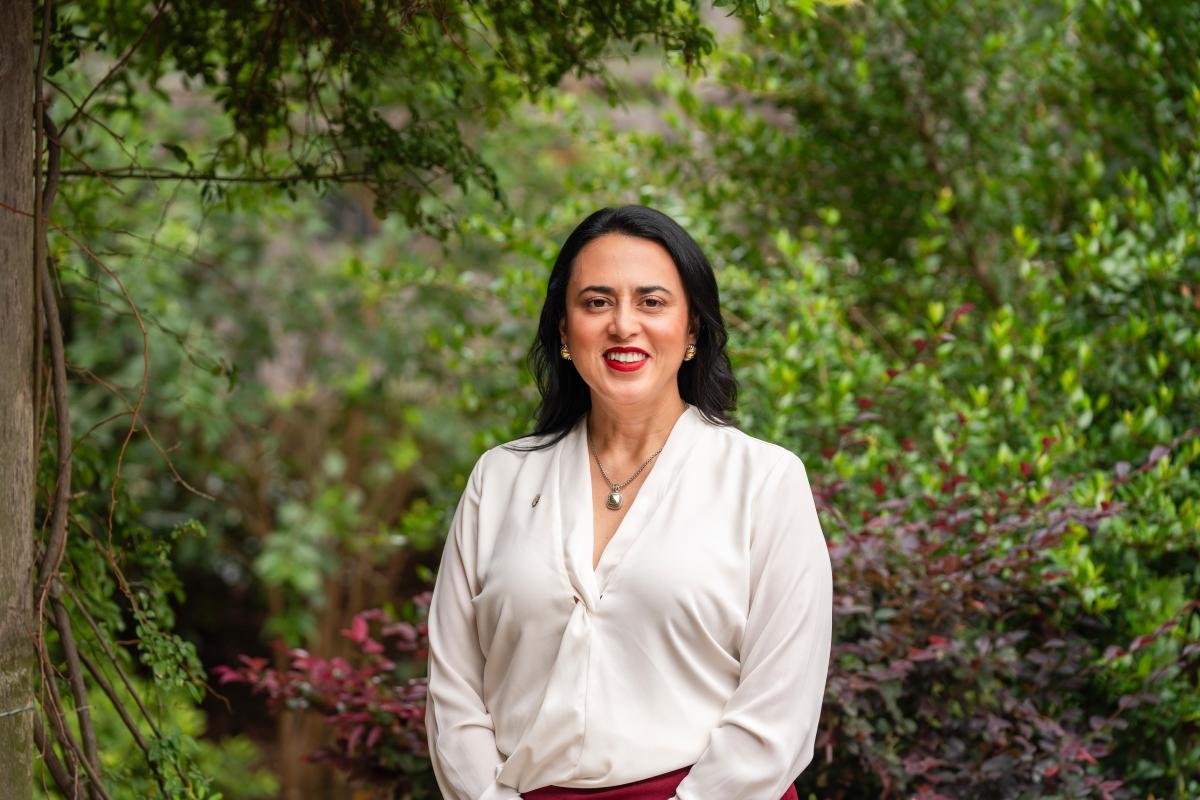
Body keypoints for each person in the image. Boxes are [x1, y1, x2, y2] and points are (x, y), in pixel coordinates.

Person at [425, 206, 834, 800]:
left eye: (651, 301)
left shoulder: (765, 481)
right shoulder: (500, 480)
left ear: (692, 328)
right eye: (595, 302)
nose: (623, 325)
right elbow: (454, 694)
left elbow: (780, 710)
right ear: (564, 332)